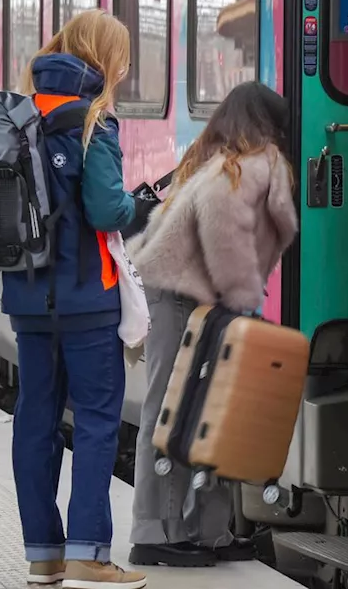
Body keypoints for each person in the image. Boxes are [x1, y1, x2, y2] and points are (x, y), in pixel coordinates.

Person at [4, 9, 152, 589]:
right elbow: (105, 211)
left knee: (35, 420)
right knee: (94, 420)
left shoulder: (20, 112)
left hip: (27, 298)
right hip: (88, 299)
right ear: (103, 57)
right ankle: (90, 551)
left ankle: (44, 554)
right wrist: (141, 206)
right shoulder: (94, 120)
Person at [125, 81, 299, 568]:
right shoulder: (229, 168)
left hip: (204, 301)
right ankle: (153, 532)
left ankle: (209, 531)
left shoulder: (215, 159)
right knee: (168, 412)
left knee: (211, 413)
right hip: (174, 298)